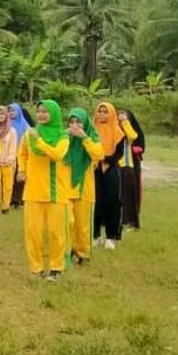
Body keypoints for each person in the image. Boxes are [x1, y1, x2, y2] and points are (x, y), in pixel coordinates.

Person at [19, 100, 71, 281]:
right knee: (33, 233)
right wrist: (22, 170)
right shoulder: (29, 135)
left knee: (56, 234)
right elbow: (23, 154)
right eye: (39, 111)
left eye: (45, 112)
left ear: (54, 114)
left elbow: (57, 155)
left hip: (55, 192)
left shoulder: (63, 137)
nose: (41, 115)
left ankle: (56, 268)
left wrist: (39, 141)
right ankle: (36, 268)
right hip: (33, 191)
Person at [65, 107, 105, 264]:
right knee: (67, 221)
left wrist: (84, 138)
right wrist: (65, 135)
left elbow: (98, 154)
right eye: (72, 122)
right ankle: (68, 250)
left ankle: (82, 253)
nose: (75, 125)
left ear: (86, 124)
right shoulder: (65, 138)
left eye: (79, 122)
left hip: (84, 188)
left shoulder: (91, 138)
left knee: (82, 224)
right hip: (66, 187)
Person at [92, 102, 127, 250]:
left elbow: (119, 154)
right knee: (95, 202)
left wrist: (104, 159)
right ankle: (95, 235)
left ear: (111, 114)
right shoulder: (91, 130)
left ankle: (111, 236)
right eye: (99, 111)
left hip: (111, 169)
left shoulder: (118, 132)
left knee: (112, 202)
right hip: (94, 168)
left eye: (105, 112)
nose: (102, 114)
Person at [119, 108, 146, 229]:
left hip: (132, 162)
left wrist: (125, 123)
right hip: (118, 164)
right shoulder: (115, 130)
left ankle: (130, 217)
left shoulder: (134, 130)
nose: (121, 117)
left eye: (125, 116)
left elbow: (138, 142)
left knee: (132, 191)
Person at [0, 106, 19, 214]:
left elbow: (13, 147)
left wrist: (9, 160)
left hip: (8, 162)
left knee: (7, 186)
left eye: (2, 114)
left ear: (6, 115)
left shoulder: (12, 131)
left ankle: (5, 206)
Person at [8, 104, 32, 209]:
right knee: (9, 177)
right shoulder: (6, 124)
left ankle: (19, 199)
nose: (11, 113)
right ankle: (9, 199)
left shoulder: (25, 125)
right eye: (9, 111)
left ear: (18, 112)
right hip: (8, 155)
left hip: (21, 154)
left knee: (19, 177)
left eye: (13, 111)